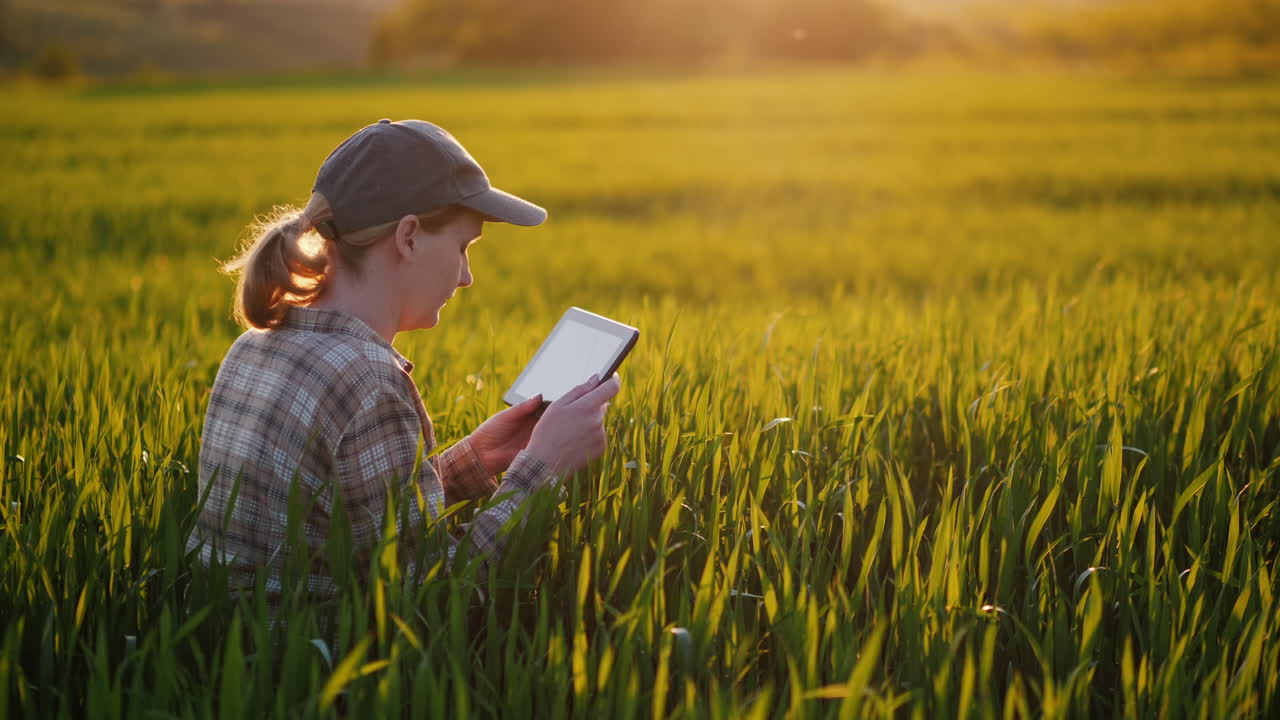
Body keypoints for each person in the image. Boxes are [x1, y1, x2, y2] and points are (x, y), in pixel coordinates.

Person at [187, 118, 620, 608]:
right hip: (318, 671)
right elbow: (427, 601)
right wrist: (543, 469)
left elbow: (347, 524)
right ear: (408, 237)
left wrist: (474, 459)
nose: (466, 277)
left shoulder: (257, 344)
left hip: (232, 658)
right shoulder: (369, 381)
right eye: (462, 247)